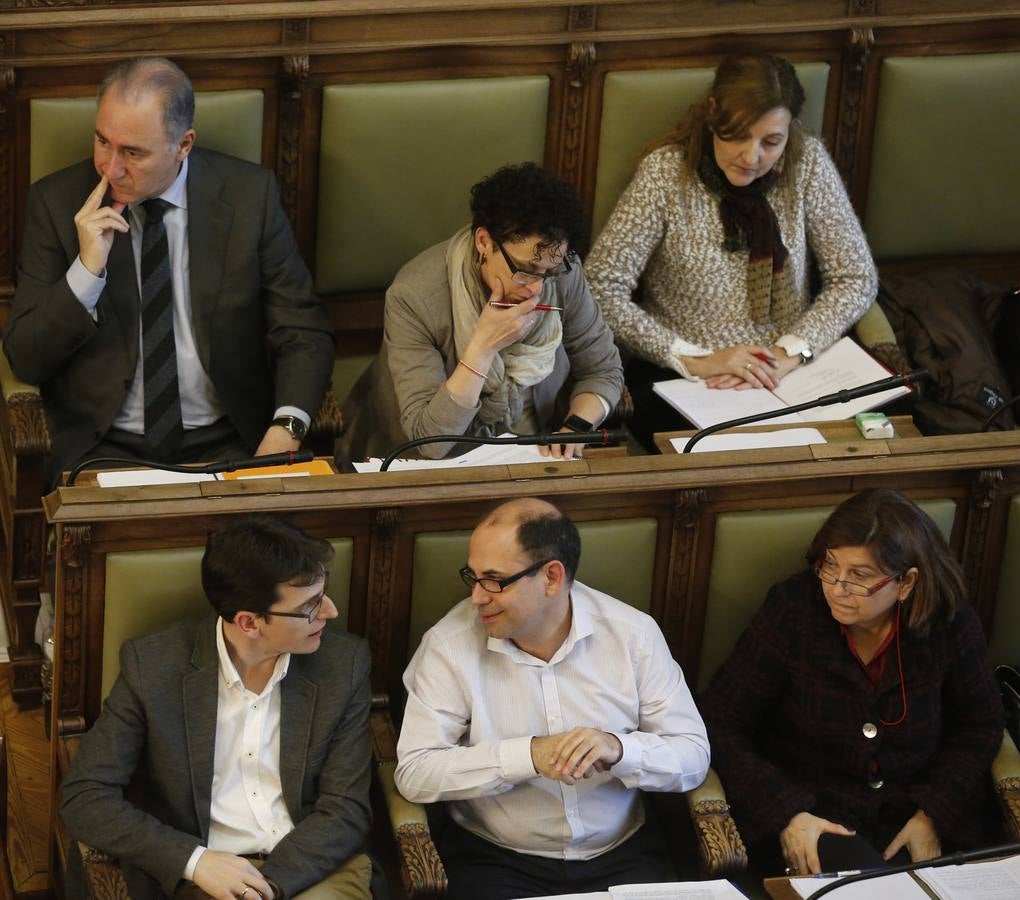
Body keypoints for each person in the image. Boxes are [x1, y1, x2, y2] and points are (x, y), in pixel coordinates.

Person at [5, 57, 334, 486]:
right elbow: (26, 358)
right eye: (103, 142)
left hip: (231, 441)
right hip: (103, 450)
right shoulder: (57, 204)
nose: (111, 167)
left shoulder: (248, 198)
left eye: (133, 152)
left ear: (183, 145)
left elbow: (303, 331)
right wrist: (87, 272)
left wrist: (286, 429)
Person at [394, 498, 710, 900]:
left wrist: (619, 749)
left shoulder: (633, 634)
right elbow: (416, 773)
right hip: (495, 861)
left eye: (494, 580)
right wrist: (528, 756)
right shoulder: (448, 646)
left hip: (625, 855)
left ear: (552, 577)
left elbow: (693, 756)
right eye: (472, 577)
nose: (476, 597)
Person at [59, 516, 376, 899]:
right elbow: (85, 795)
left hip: (311, 868)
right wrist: (193, 861)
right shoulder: (153, 666)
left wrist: (266, 888)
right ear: (248, 623)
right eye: (310, 607)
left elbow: (346, 808)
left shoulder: (344, 664)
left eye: (323, 593)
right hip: (204, 877)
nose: (330, 612)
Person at [700, 489, 1005, 878]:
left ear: (906, 583)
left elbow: (981, 725)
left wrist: (933, 813)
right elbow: (719, 721)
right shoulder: (793, 610)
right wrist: (787, 812)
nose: (836, 587)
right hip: (816, 817)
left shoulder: (950, 622)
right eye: (830, 566)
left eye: (859, 576)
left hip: (912, 812)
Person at [585, 53, 877, 447]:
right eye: (737, 135)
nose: (751, 156)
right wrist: (693, 359)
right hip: (685, 379)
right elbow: (600, 286)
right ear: (712, 115)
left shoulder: (807, 164)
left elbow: (855, 277)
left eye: (771, 141)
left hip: (792, 371)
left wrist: (789, 351)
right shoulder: (666, 175)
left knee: (859, 446)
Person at [336, 163, 623, 466]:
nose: (537, 288)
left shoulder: (564, 275)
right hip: (426, 466)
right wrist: (482, 349)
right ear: (484, 242)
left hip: (532, 454)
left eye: (548, 272)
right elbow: (429, 441)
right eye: (525, 270)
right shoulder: (414, 297)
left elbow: (603, 370)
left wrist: (574, 429)